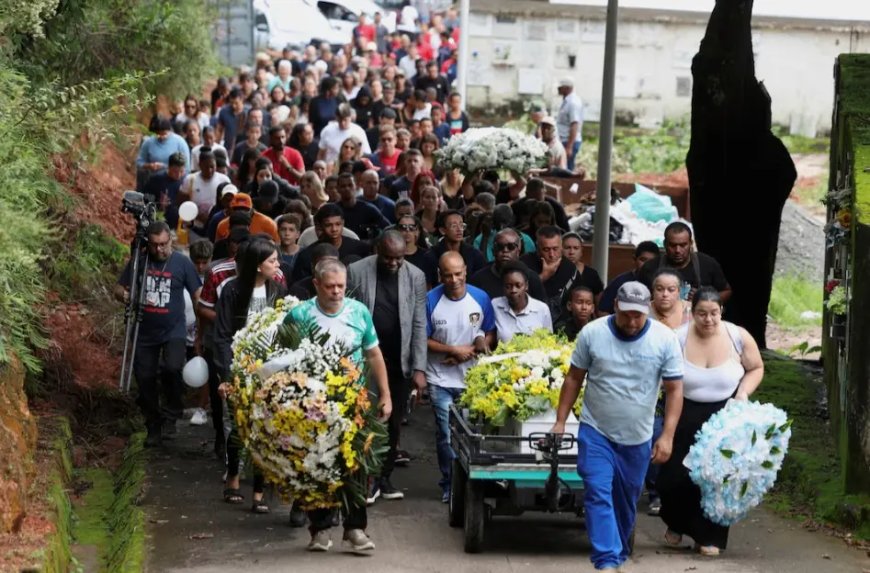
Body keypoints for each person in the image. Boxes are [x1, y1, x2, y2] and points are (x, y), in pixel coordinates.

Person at [550, 282, 684, 572]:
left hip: (638, 438)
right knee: (598, 492)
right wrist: (560, 421)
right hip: (596, 431)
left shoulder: (665, 339)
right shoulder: (593, 333)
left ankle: (618, 553)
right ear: (615, 308)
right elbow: (574, 378)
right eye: (627, 315)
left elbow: (675, 390)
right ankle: (606, 561)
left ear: (647, 310)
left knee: (625, 503)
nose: (633, 322)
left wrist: (668, 436)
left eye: (639, 315)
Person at [284, 258, 392, 554]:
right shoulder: (299, 315)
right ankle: (319, 529)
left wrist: (385, 394)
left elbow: (373, 355)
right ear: (316, 284)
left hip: (353, 403)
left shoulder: (358, 312)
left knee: (357, 466)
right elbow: (281, 357)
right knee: (317, 467)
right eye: (329, 286)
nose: (336, 292)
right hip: (312, 405)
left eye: (341, 286)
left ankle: (355, 529)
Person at [656, 288, 763, 556]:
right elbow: (659, 376)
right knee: (673, 479)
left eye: (714, 313)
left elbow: (756, 368)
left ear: (721, 312)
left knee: (716, 479)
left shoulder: (738, 336)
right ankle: (676, 521)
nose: (708, 319)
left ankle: (709, 537)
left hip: (724, 416)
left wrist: (742, 393)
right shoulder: (676, 338)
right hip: (681, 413)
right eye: (702, 313)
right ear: (692, 313)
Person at [347, 231, 428, 502]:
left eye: (399, 258)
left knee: (393, 421)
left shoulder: (415, 276)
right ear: (377, 250)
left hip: (398, 358)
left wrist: (419, 368)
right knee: (364, 418)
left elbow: (418, 322)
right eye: (388, 257)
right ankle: (364, 477)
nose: (394, 263)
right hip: (365, 358)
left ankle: (384, 476)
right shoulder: (356, 271)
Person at [114, 221, 202, 447]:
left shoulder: (182, 263)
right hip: (144, 331)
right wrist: (128, 297)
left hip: (174, 329)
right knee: (145, 379)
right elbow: (119, 288)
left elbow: (197, 294)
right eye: (155, 245)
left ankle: (171, 414)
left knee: (173, 368)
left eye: (164, 244)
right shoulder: (140, 261)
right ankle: (153, 424)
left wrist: (202, 324)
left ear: (170, 241)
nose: (160, 250)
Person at [214, 238, 287, 514]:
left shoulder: (278, 292)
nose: (277, 265)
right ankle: (233, 474)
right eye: (272, 261)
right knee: (237, 427)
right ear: (258, 265)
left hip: (269, 371)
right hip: (239, 369)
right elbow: (221, 336)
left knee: (265, 429)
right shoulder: (232, 291)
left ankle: (259, 489)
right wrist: (227, 373)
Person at [425, 252, 496, 503]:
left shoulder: (480, 298)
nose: (454, 279)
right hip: (440, 380)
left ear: (465, 270)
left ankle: (471, 486)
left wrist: (474, 347)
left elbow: (489, 333)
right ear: (439, 275)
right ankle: (450, 485)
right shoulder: (430, 301)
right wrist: (453, 351)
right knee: (446, 435)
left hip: (472, 381)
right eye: (448, 275)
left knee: (474, 436)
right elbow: (423, 340)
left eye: (458, 273)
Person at [638, 222, 732, 304]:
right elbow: (638, 297)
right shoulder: (650, 268)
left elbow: (726, 291)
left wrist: (705, 298)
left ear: (690, 243)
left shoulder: (707, 264)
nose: (678, 250)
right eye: (673, 245)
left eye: (683, 245)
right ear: (665, 244)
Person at [292, 204, 371, 281]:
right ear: (320, 226)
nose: (334, 229)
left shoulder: (360, 249)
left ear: (343, 223)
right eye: (328, 225)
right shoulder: (307, 255)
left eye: (338, 224)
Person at [521, 226, 584, 322]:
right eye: (546, 250)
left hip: (561, 324)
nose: (551, 254)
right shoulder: (525, 264)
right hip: (529, 319)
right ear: (538, 249)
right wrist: (543, 276)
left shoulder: (570, 268)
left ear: (561, 247)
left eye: (555, 249)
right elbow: (517, 293)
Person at [469, 228, 546, 303]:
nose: (505, 251)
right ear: (493, 251)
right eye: (500, 246)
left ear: (518, 251)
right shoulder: (478, 279)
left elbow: (540, 309)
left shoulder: (531, 278)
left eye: (511, 247)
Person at [492, 262, 553, 343]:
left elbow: (549, 341)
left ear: (526, 286)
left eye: (518, 285)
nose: (513, 290)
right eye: (508, 286)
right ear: (503, 287)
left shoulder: (542, 309)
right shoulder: (495, 305)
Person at [421, 210, 486, 287]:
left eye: (461, 225)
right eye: (454, 226)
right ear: (442, 230)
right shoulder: (431, 256)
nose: (459, 229)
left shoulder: (475, 255)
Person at [176, 150, 232, 239]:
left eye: (212, 167)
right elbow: (181, 202)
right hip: (194, 226)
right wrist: (196, 215)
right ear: (200, 164)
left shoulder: (224, 180)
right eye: (206, 167)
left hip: (217, 227)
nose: (209, 170)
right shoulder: (190, 179)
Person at [599, 241, 660, 315]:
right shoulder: (620, 282)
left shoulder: (661, 284)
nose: (647, 265)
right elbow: (603, 311)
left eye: (651, 261)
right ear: (634, 259)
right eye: (643, 260)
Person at [137, 117, 191, 188]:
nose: (161, 137)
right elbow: (139, 162)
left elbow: (186, 168)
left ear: (170, 131)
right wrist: (149, 165)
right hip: (152, 181)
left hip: (174, 182)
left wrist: (165, 167)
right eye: (158, 134)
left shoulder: (180, 143)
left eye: (164, 134)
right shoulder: (148, 142)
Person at [335, 172, 390, 240]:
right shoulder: (333, 210)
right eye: (343, 186)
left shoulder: (369, 209)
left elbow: (388, 228)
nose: (347, 188)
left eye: (350, 185)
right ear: (337, 189)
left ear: (356, 186)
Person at [214, 192, 279, 243]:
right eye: (237, 209)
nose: (241, 212)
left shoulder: (269, 224)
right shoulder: (222, 225)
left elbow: (277, 245)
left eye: (244, 209)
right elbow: (218, 249)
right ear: (231, 209)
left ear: (252, 209)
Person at [561, 232, 605, 301]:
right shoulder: (553, 271)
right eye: (567, 248)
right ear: (560, 250)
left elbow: (599, 305)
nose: (571, 252)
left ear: (581, 251)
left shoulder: (592, 274)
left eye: (576, 248)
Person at [556, 78, 583, 171]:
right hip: (564, 140)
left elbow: (574, 125)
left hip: (568, 141)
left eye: (560, 87)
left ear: (567, 88)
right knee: (563, 168)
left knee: (566, 170)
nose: (558, 89)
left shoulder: (573, 103)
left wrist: (569, 147)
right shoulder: (567, 101)